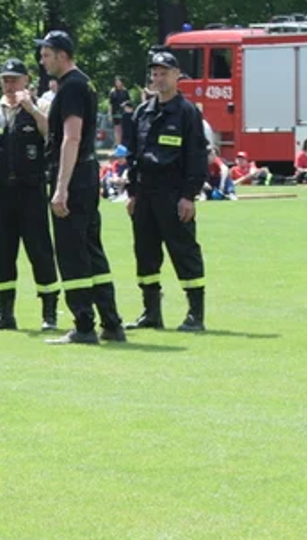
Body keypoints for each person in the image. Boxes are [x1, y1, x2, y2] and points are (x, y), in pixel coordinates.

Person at [37, 29, 124, 344]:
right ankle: (111, 322)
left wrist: (61, 188)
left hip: (74, 174)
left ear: (62, 55)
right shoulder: (85, 83)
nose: (42, 61)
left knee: (72, 251)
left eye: (46, 55)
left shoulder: (71, 87)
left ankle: (84, 325)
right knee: (92, 249)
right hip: (87, 173)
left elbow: (71, 137)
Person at [0, 58, 60, 332]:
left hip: (31, 189)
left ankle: (49, 312)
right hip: (1, 190)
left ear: (26, 80)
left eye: (14, 79)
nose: (9, 84)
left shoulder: (41, 105)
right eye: (5, 79)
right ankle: (5, 313)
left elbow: (53, 134)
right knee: (1, 251)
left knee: (39, 250)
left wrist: (30, 108)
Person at [122, 50, 209, 332]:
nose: (158, 78)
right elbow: (132, 155)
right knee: (145, 254)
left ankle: (196, 314)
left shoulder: (187, 112)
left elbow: (196, 157)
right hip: (145, 194)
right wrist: (132, 193)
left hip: (173, 194)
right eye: (154, 74)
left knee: (184, 252)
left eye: (164, 73)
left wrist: (189, 196)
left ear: (176, 76)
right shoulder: (142, 112)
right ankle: (151, 313)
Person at [108, 77, 133, 147]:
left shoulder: (125, 91)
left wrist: (125, 104)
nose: (117, 83)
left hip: (124, 112)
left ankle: (123, 144)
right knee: (117, 128)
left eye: (119, 81)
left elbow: (129, 101)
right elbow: (110, 104)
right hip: (115, 112)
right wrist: (109, 114)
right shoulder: (112, 91)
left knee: (124, 128)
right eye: (116, 81)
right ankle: (117, 144)